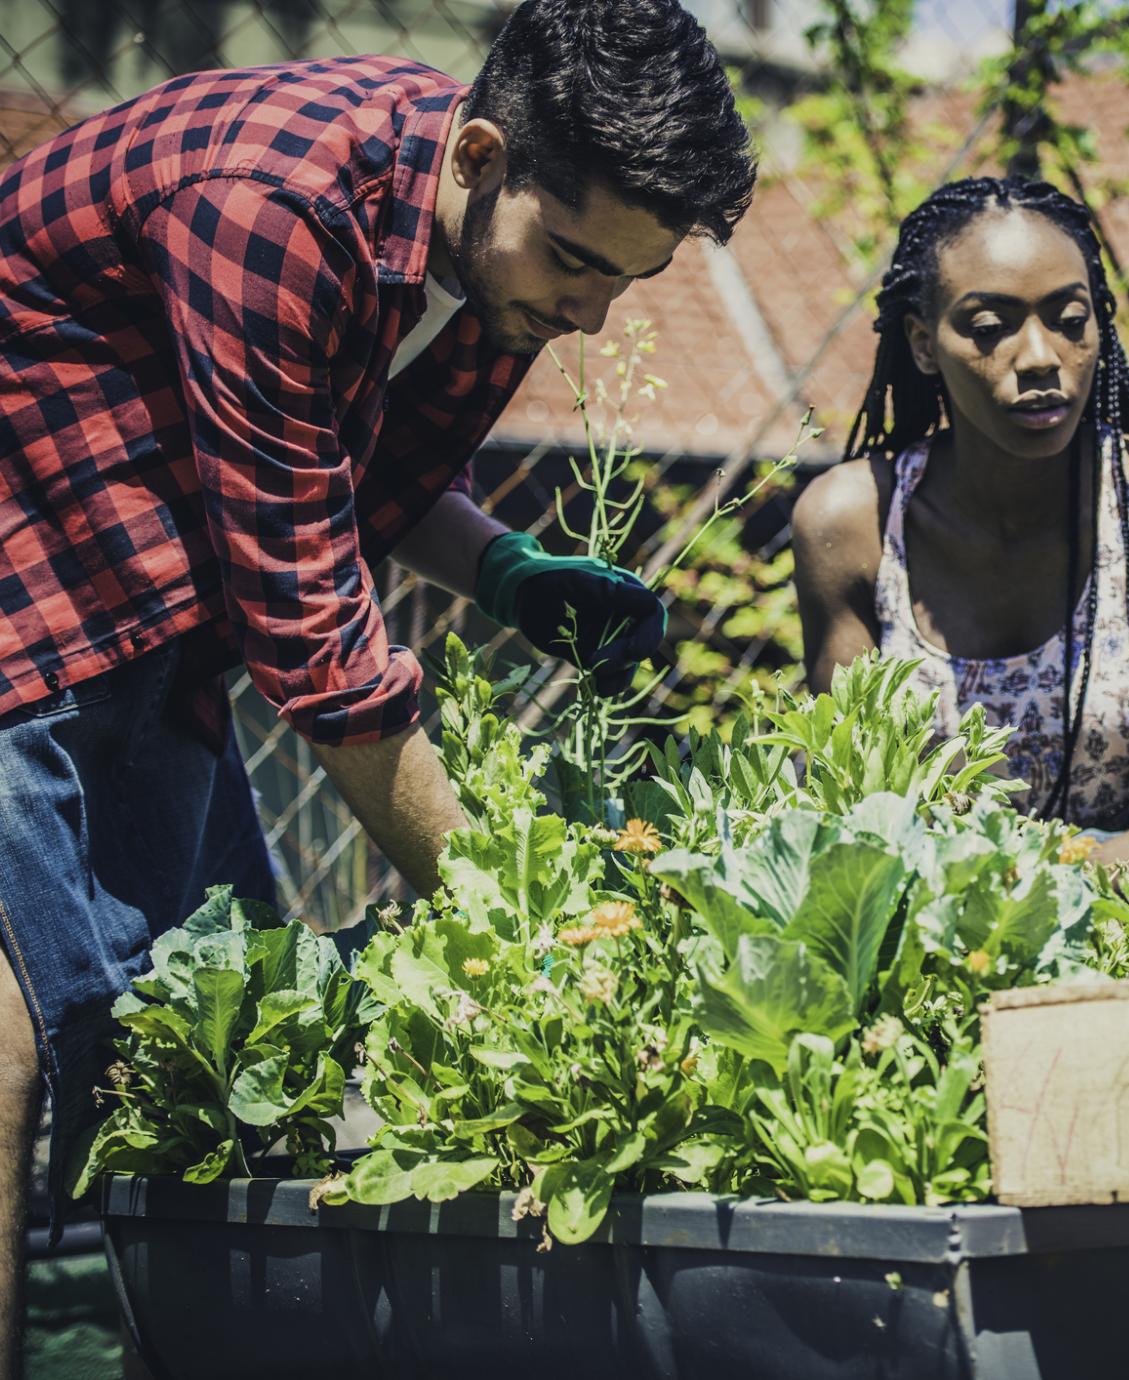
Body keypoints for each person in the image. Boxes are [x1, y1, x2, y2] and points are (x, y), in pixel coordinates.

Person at [0, 0, 753, 1363]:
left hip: (148, 625)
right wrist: (520, 923)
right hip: (27, 589)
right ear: (479, 153)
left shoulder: (483, 230)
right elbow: (317, 650)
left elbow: (369, 466)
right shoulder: (276, 206)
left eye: (624, 287)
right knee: (9, 1054)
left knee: (212, 1045)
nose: (586, 316)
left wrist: (512, 569)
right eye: (580, 265)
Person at [791, 176, 1129, 870]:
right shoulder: (854, 524)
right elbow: (848, 807)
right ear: (924, 343)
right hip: (924, 946)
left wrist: (1008, 891)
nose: (1041, 357)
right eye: (989, 328)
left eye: (1069, 320)